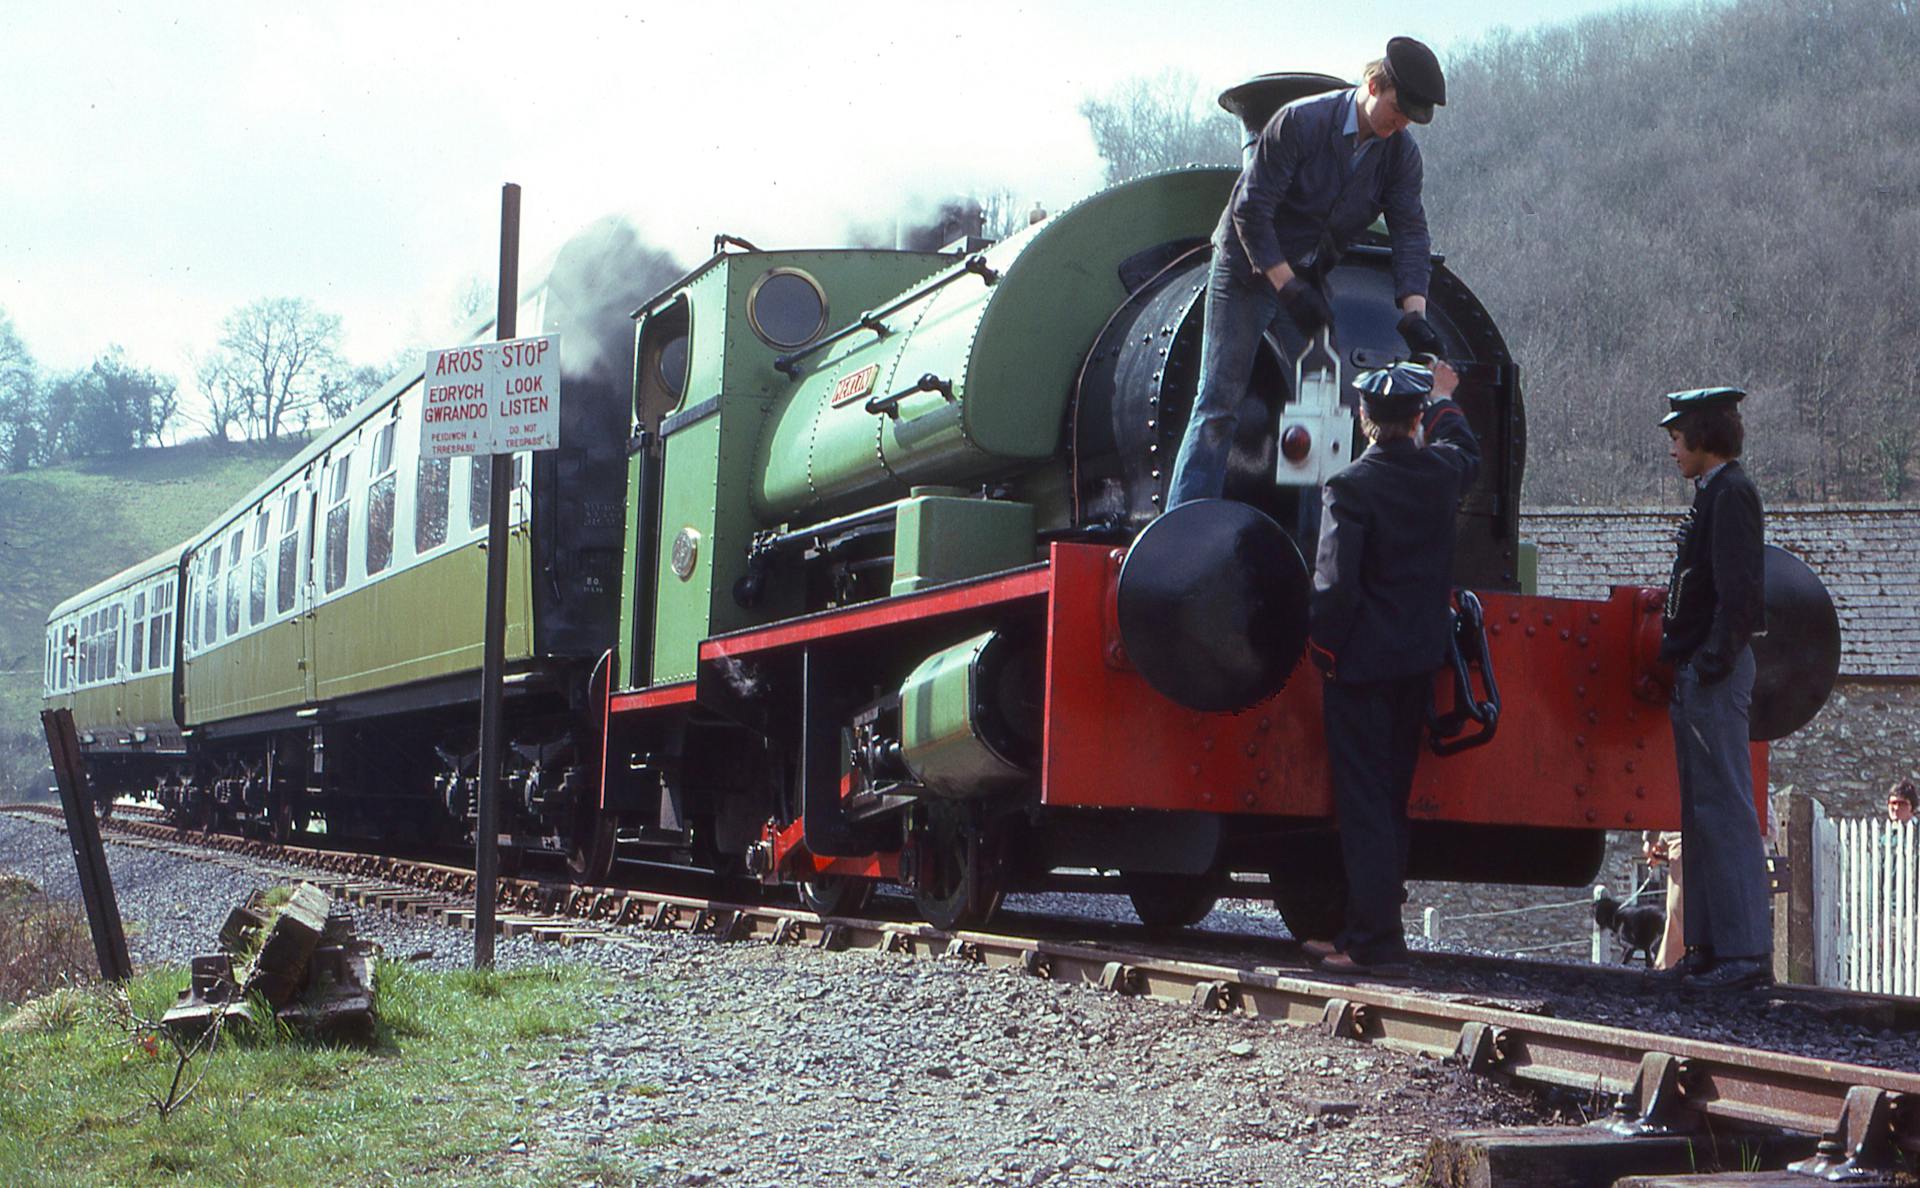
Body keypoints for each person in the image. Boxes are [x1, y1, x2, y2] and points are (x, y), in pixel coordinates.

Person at [1166, 37, 1449, 509]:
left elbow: (1410, 231)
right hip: (1246, 271)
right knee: (1219, 403)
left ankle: (1322, 533)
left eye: (1410, 120)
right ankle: (1183, 521)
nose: (1400, 124)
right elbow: (1250, 212)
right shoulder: (1300, 123)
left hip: (1309, 276)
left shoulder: (1400, 155)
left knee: (1330, 407)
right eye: (1398, 110)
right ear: (1374, 84)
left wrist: (1414, 311)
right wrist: (1287, 288)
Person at [1303, 361, 1480, 976]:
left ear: (1362, 419)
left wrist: (1324, 652)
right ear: (1415, 420)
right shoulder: (1441, 475)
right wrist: (1446, 399)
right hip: (1419, 665)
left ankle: (1374, 942)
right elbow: (1466, 450)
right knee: (1393, 798)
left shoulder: (1349, 486)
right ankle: (1367, 928)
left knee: (1365, 805)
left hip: (1361, 669)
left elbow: (1333, 586)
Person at [1656, 387, 1773, 990]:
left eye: (1678, 437)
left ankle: (1744, 952)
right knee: (1701, 813)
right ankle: (1707, 945)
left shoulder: (1732, 495)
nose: (1673, 448)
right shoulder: (1716, 494)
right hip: (1701, 667)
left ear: (1703, 436)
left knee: (1726, 809)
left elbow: (1740, 594)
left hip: (1715, 672)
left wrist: (1711, 661)